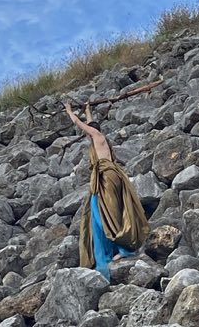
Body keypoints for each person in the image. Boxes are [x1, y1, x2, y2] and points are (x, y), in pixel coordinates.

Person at [63, 101, 150, 282]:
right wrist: (87, 110)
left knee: (108, 213)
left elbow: (81, 125)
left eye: (90, 131)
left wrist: (69, 110)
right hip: (103, 178)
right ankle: (111, 250)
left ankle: (124, 249)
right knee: (98, 212)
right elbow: (91, 123)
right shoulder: (98, 139)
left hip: (108, 178)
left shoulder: (98, 136)